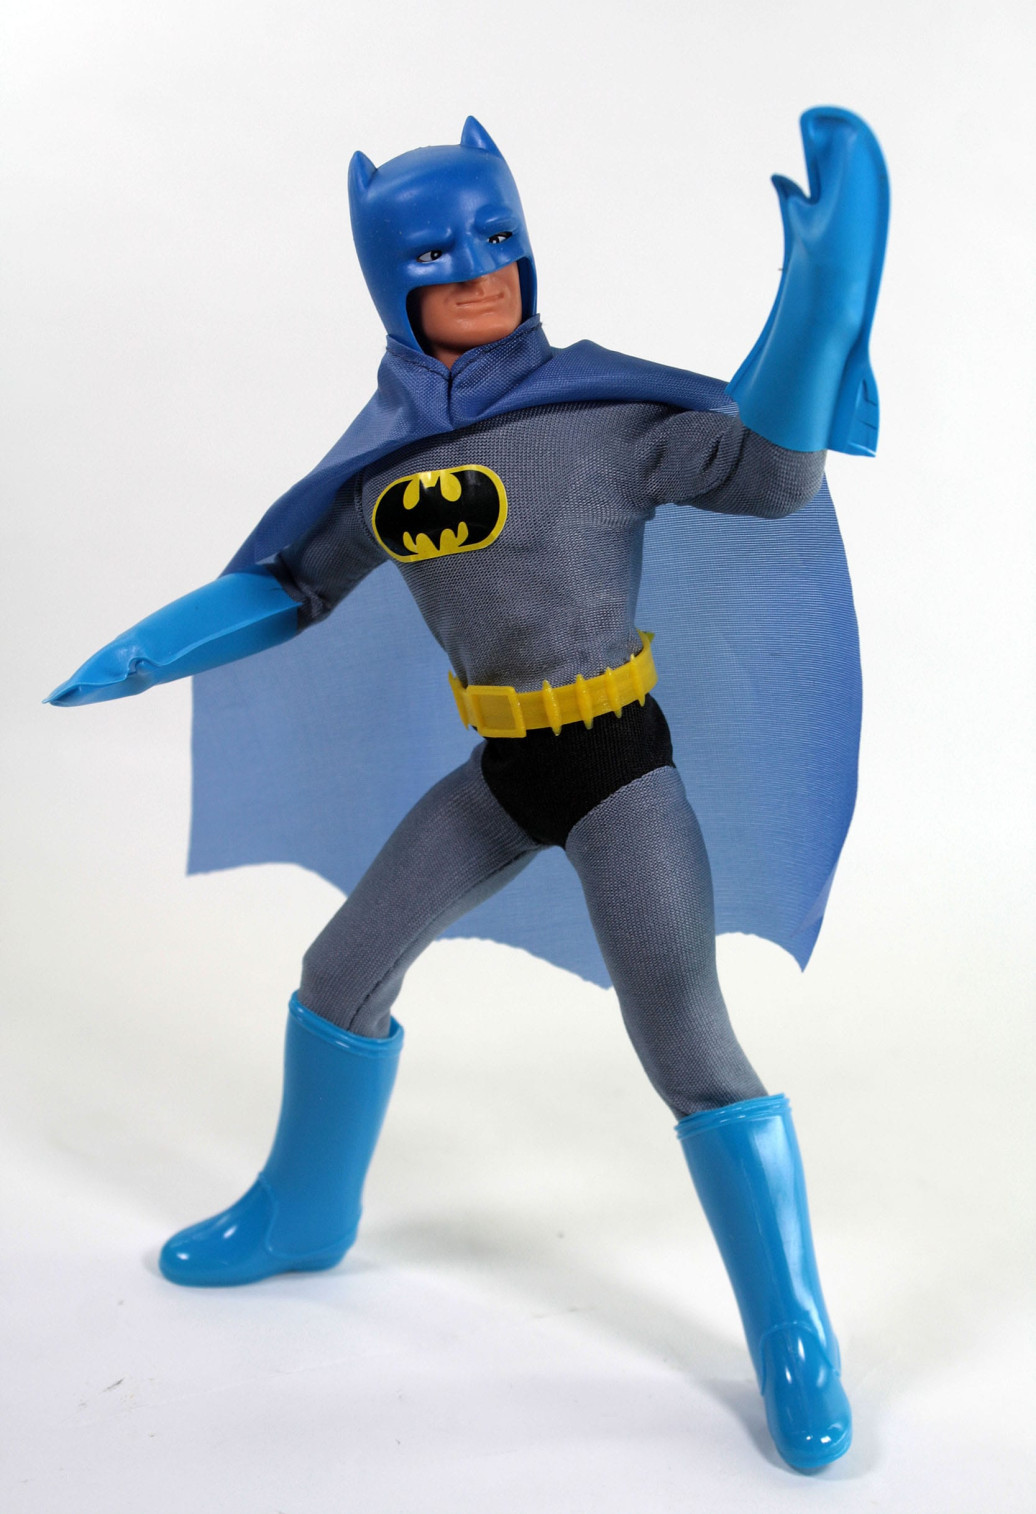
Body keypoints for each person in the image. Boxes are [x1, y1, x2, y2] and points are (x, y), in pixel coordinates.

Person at [48, 112, 888, 1471]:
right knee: (341, 971)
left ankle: (793, 1332)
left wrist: (822, 304)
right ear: (392, 285)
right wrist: (154, 645)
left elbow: (770, 475)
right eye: (440, 257)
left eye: (499, 240)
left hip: (617, 767)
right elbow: (289, 584)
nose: (481, 271)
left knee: (687, 1041)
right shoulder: (384, 458)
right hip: (501, 771)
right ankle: (303, 1210)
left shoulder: (602, 415)